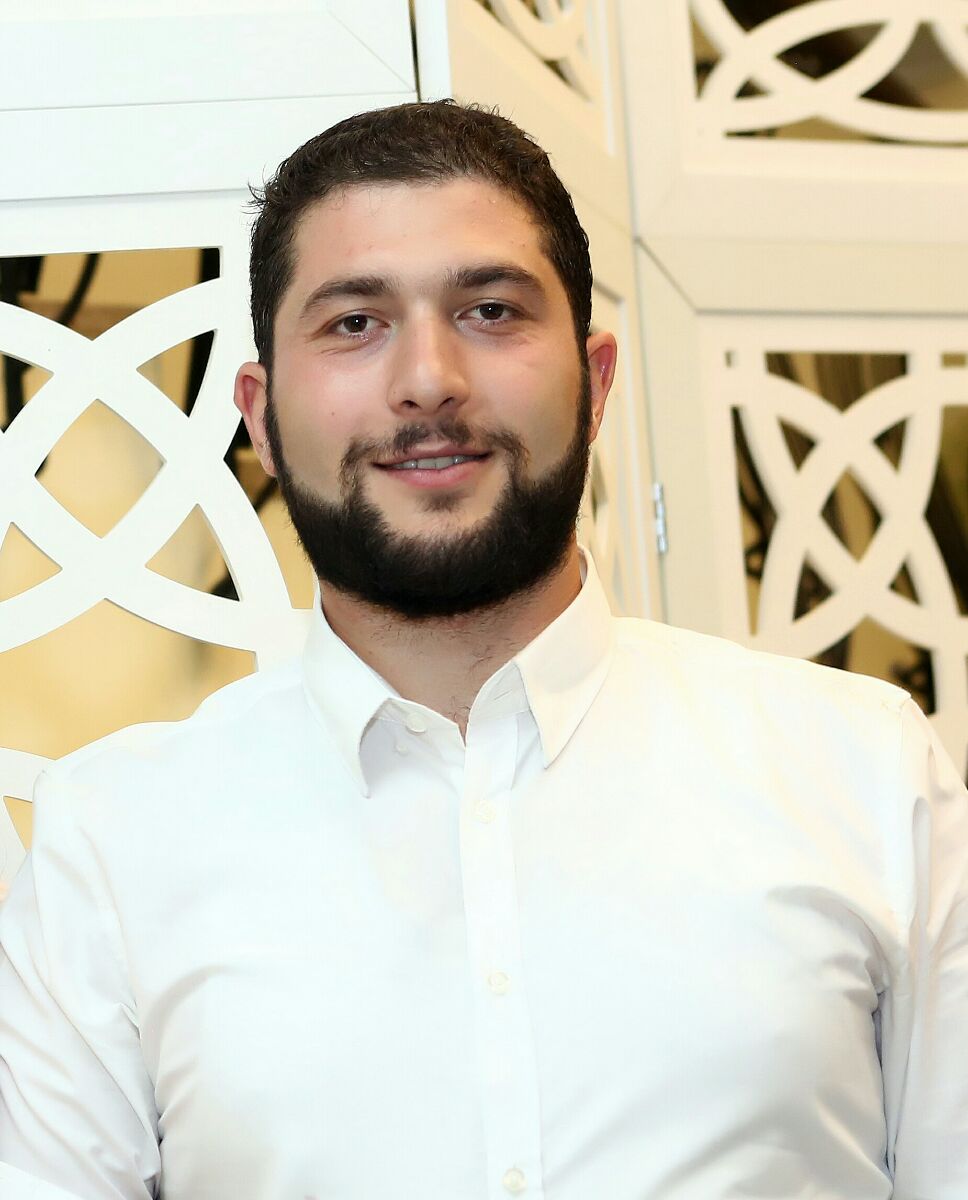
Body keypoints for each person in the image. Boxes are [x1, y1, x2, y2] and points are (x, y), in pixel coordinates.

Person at [0, 100, 966, 1200]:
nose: (428, 379)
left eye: (491, 310)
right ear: (260, 418)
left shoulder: (862, 771)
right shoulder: (111, 848)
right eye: (353, 323)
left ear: (595, 383)